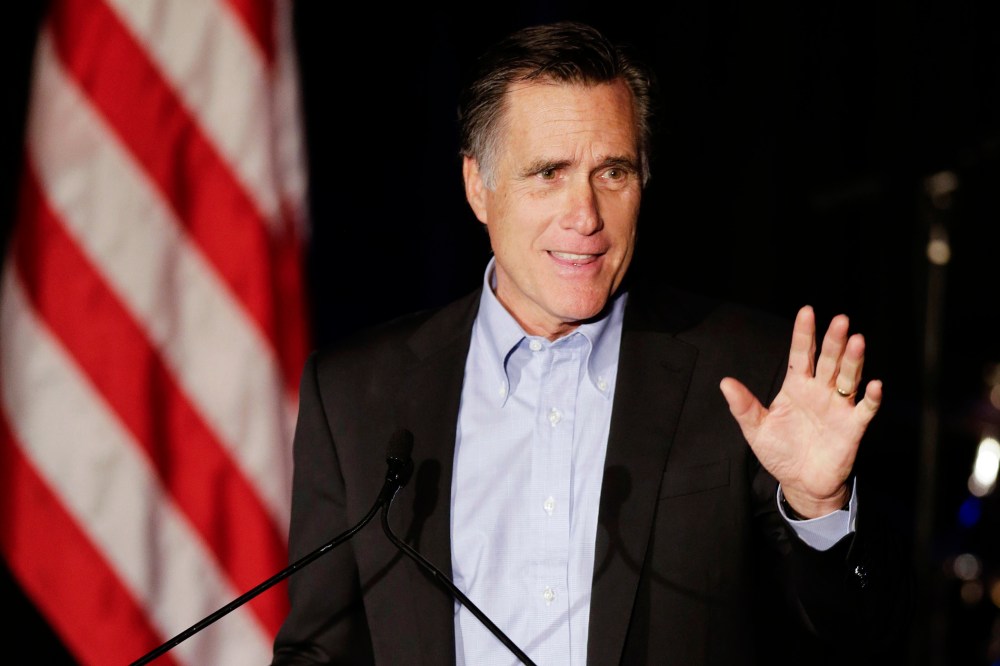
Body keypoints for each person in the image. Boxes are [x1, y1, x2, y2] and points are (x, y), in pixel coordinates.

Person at [270, 20, 911, 666]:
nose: (586, 216)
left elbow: (858, 636)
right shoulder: (357, 395)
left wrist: (819, 509)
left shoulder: (750, 377)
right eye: (549, 173)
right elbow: (317, 652)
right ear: (477, 188)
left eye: (613, 172)